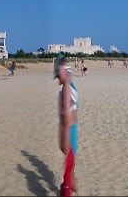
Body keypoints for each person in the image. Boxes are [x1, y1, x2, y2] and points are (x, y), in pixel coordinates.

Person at [54, 54, 79, 196]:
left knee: (69, 171)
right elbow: (65, 113)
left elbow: (66, 112)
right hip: (70, 130)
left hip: (70, 130)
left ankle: (67, 187)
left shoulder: (68, 88)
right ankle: (67, 187)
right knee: (69, 170)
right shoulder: (67, 88)